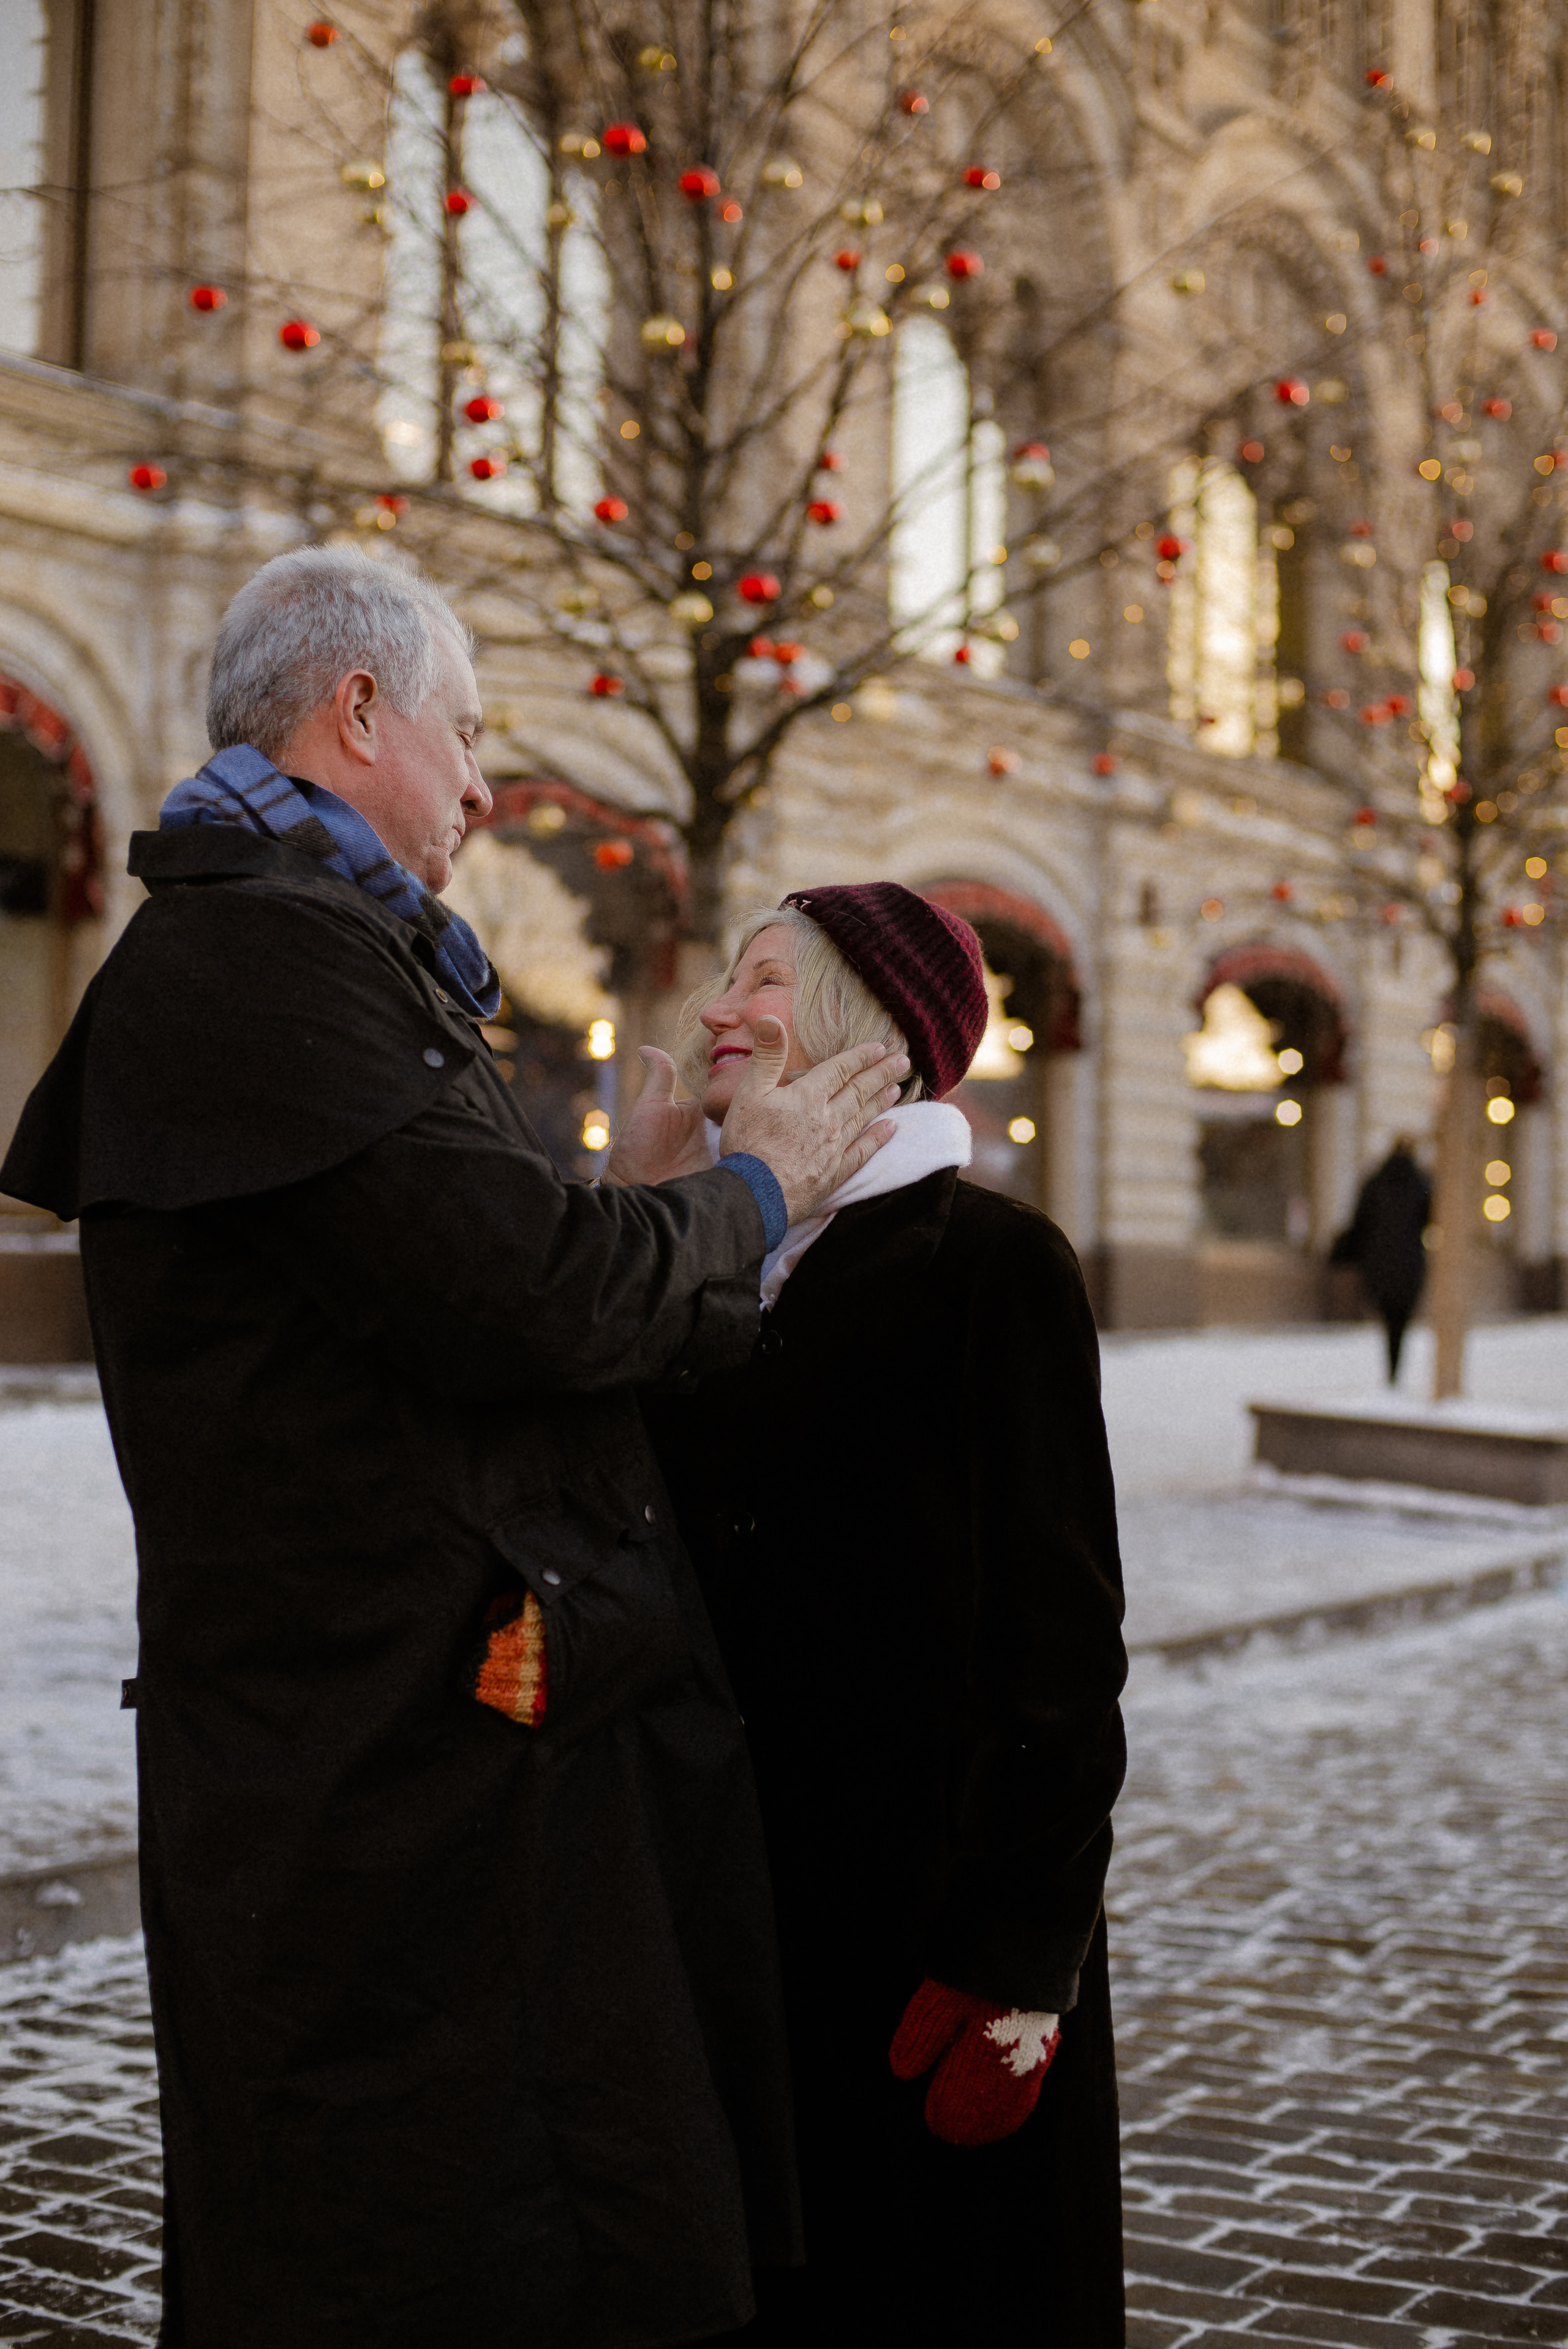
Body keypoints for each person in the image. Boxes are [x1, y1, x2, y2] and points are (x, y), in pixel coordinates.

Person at [0, 547, 910, 2349]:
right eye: (467, 731)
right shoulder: (266, 949)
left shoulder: (306, 937)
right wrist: (749, 1191)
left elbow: (466, 1287)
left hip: (407, 1761)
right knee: (425, 2252)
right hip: (375, 1787)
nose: (488, 780)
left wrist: (645, 1224)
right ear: (356, 718)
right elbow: (540, 1299)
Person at [640, 887, 1128, 2347]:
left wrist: (1014, 1961)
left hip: (922, 1941)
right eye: (724, 975)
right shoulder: (711, 1248)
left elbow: (1060, 1651)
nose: (719, 1006)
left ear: (865, 1025)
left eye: (765, 977)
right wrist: (648, 1209)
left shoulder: (990, 1267)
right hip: (731, 1922)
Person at [1330, 1138, 1433, 1382]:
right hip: (1409, 1265)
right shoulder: (1421, 1184)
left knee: (1388, 1318)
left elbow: (1359, 1222)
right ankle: (1394, 1370)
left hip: (1378, 1264)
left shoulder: (1375, 1183)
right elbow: (1429, 1220)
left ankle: (1391, 1371)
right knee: (1400, 1323)